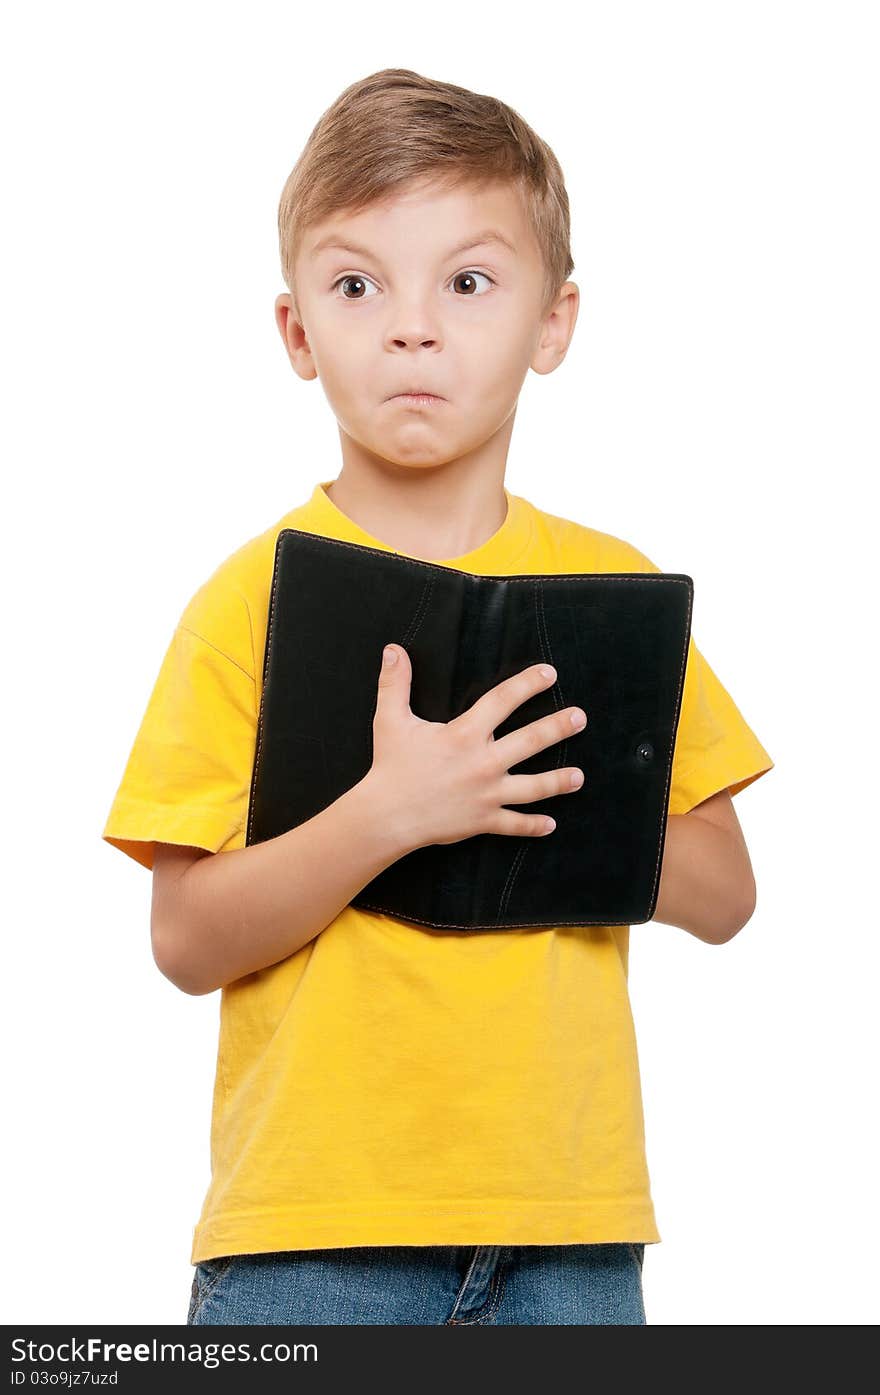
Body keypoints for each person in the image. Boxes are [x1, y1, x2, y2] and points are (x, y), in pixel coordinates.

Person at [101, 67, 774, 1327]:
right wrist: (391, 812)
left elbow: (726, 895)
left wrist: (528, 790)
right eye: (357, 285)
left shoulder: (612, 588)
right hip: (313, 1241)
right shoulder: (247, 599)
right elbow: (185, 941)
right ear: (298, 331)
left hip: (567, 1239)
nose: (412, 328)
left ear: (553, 323)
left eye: (467, 283)